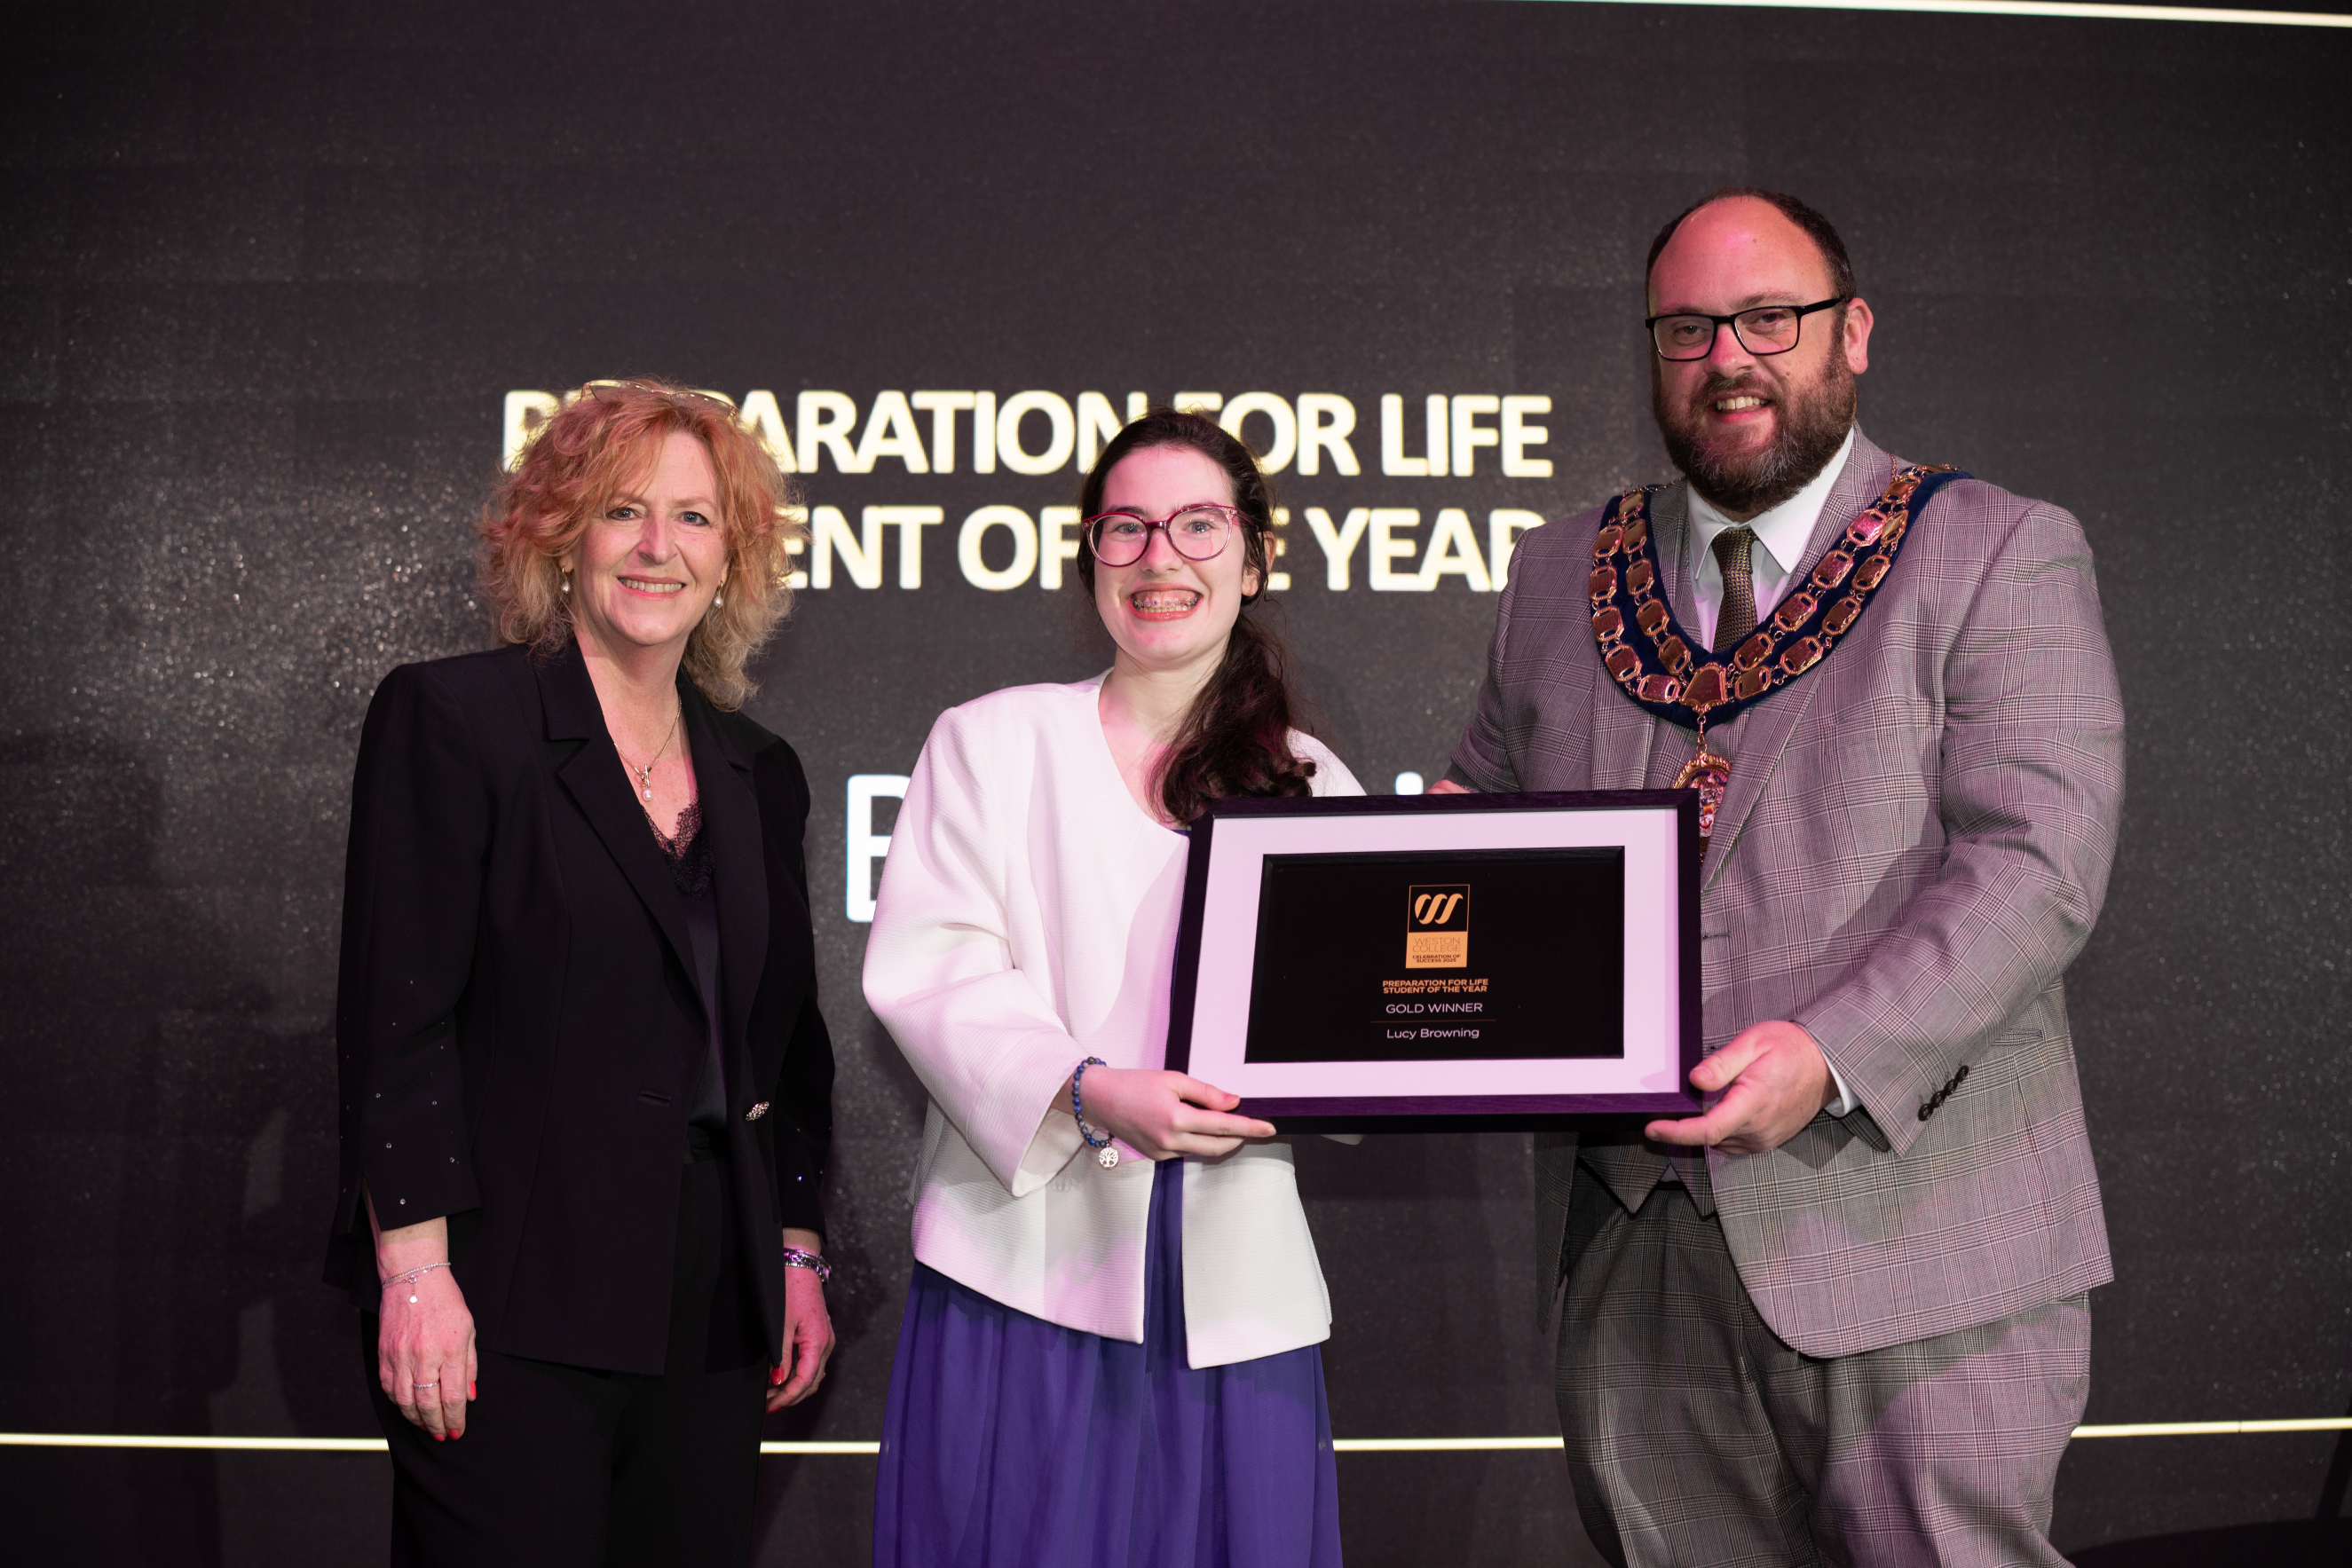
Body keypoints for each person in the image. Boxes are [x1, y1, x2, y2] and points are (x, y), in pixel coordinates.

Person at [1435, 191, 2125, 1565]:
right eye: (1686, 328)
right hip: (1634, 1255)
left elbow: (2036, 861)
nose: (1727, 358)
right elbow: (1480, 827)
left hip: (1917, 1233)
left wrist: (1829, 1049)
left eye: (1769, 318)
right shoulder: (1557, 569)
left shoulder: (1993, 548)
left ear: (1850, 333)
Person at [323, 378, 838, 1566]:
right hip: (505, 1288)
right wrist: (414, 1274)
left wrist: (796, 1249)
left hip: (713, 1298)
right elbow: (398, 1021)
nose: (659, 547)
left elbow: (782, 1043)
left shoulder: (760, 767)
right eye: (622, 511)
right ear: (560, 539)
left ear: (733, 561)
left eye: (696, 518)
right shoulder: (457, 720)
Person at [862, 408, 1360, 1567]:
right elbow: (930, 969)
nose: (1158, 559)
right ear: (1089, 557)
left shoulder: (1311, 781)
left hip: (1237, 1290)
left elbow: (1348, 1029)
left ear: (1254, 557)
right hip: (1023, 1271)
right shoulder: (989, 744)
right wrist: (1087, 1092)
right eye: (1124, 530)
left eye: (1196, 525)